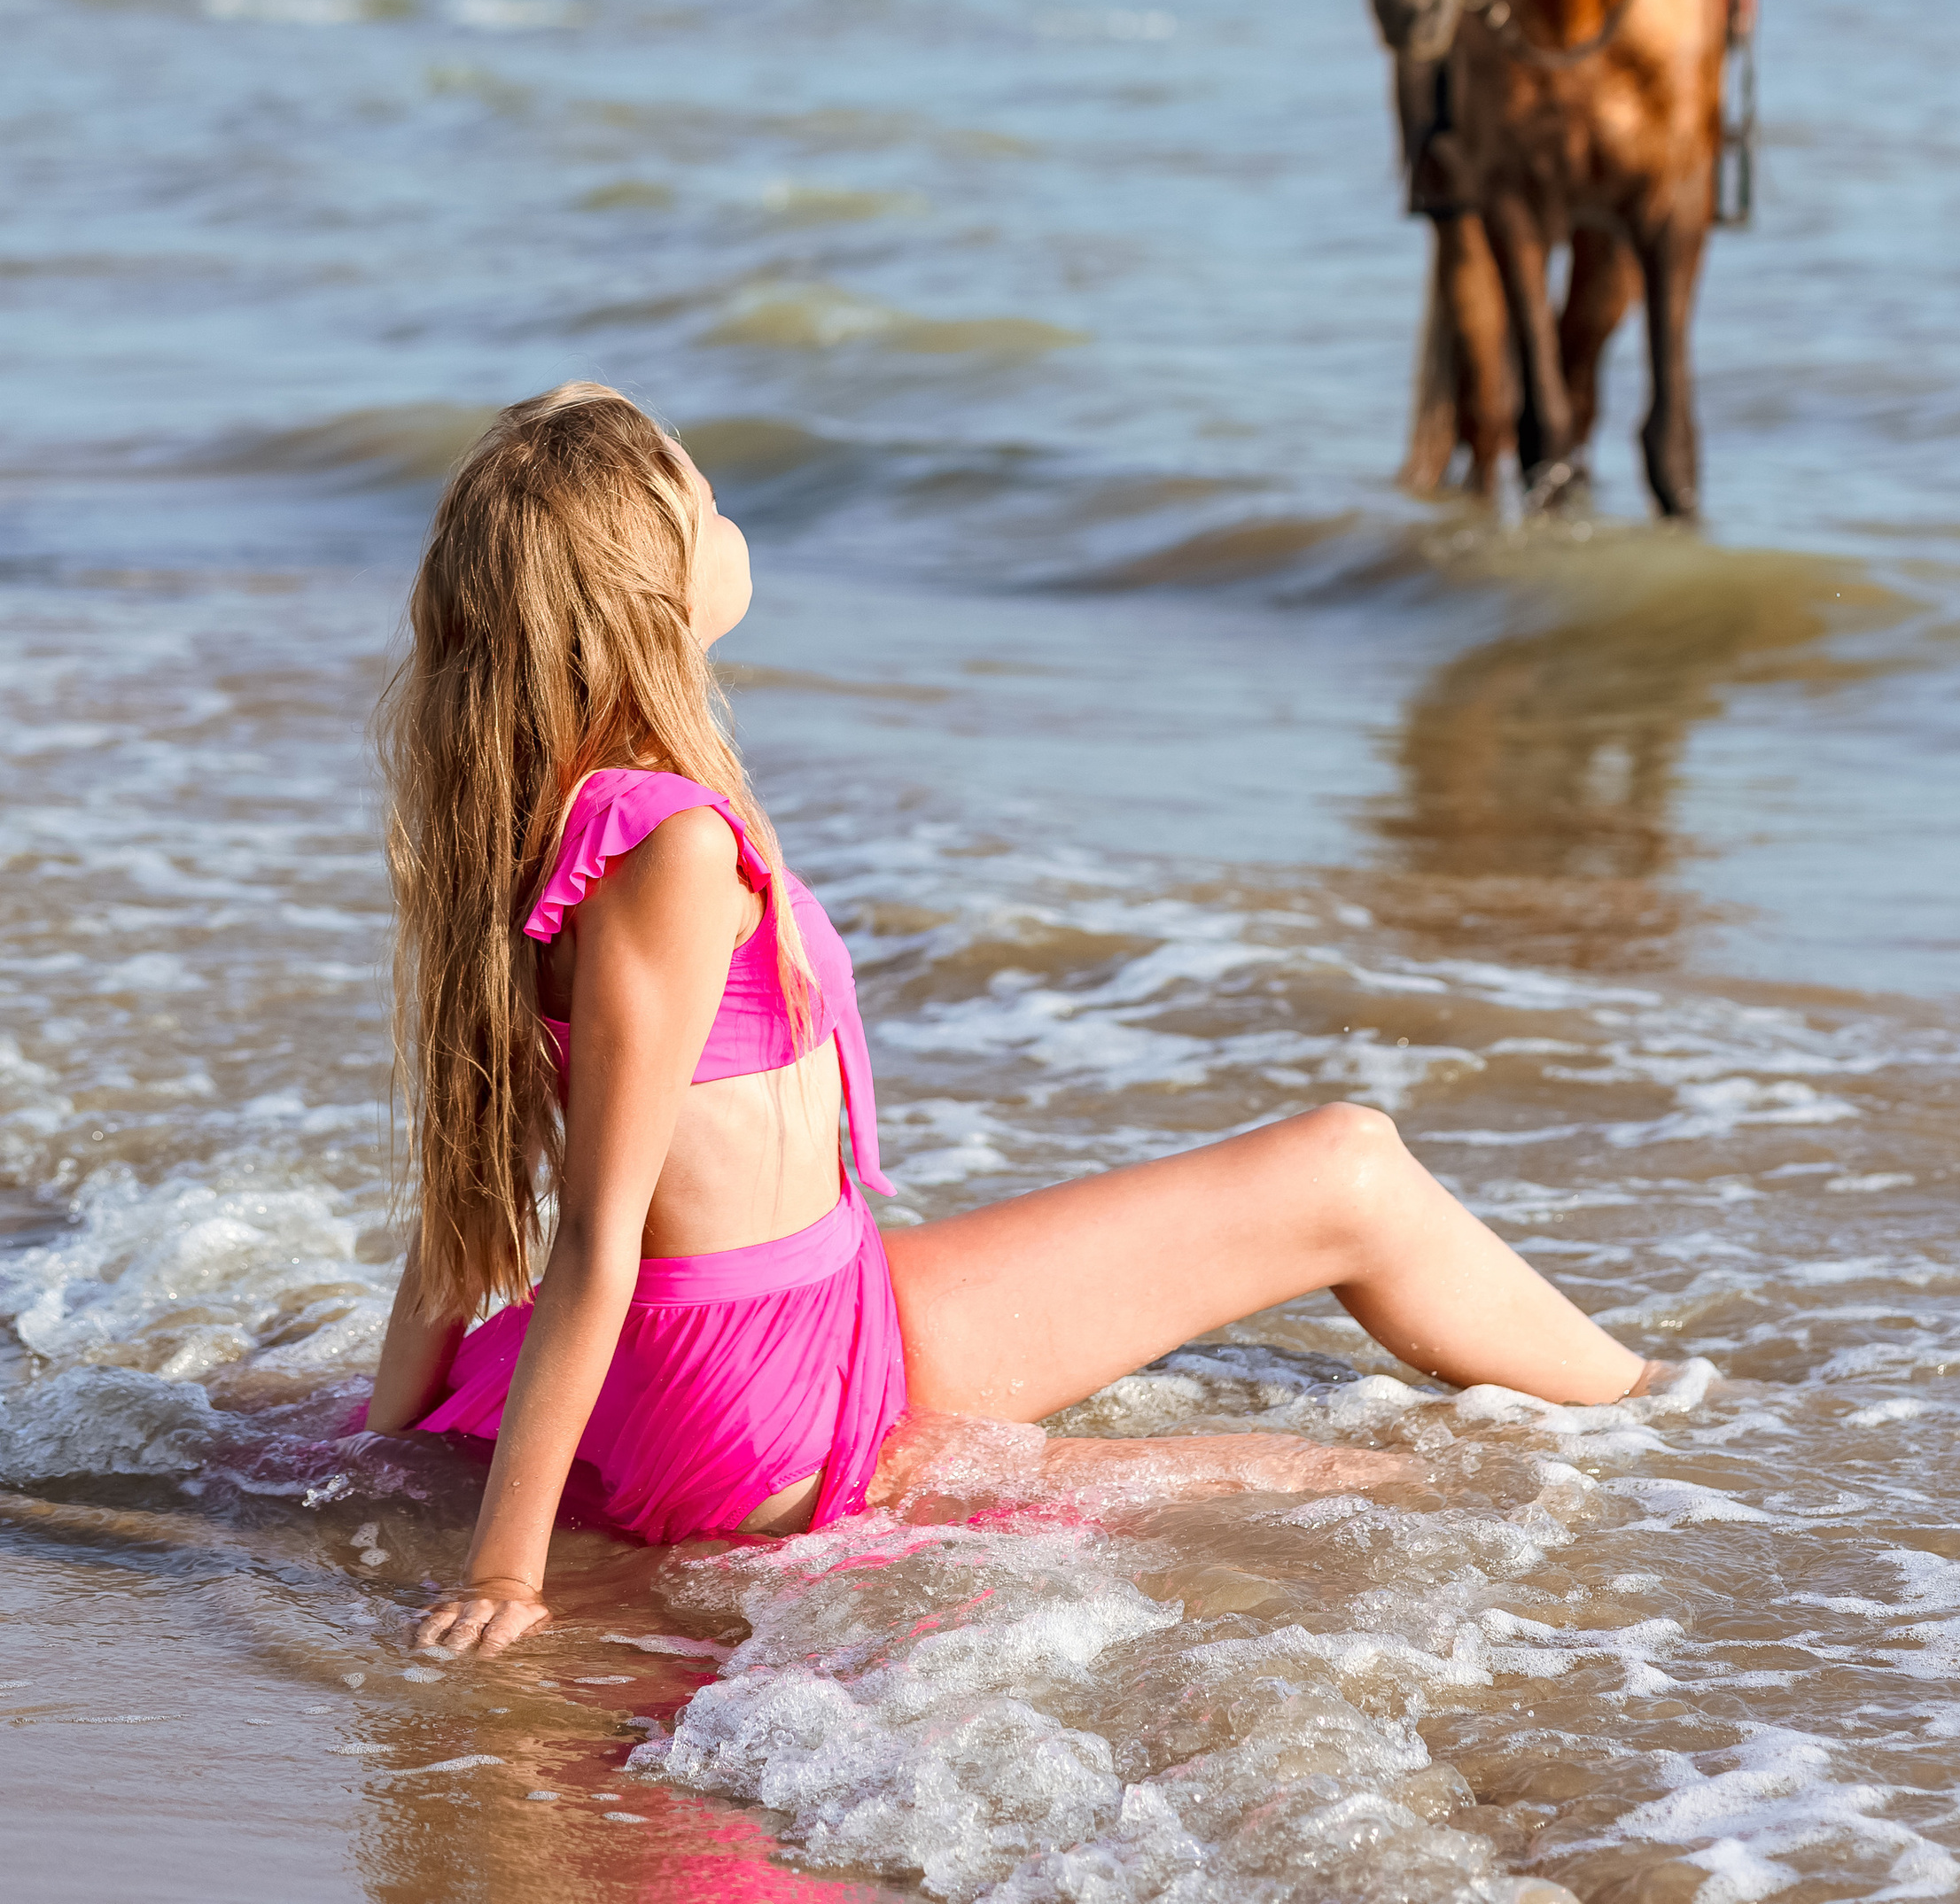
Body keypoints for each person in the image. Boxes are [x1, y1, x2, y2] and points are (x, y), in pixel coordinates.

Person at [367, 385, 1673, 1658]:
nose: (730, 525)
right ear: (652, 587)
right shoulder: (669, 848)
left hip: (767, 1336)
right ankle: (1661, 1420)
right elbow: (593, 1231)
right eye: (705, 507)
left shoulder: (532, 824)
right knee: (1351, 1182)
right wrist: (502, 1569)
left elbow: (468, 1179)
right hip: (763, 1389)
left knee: (1348, 1419)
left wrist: (390, 1430)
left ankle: (1637, 1415)